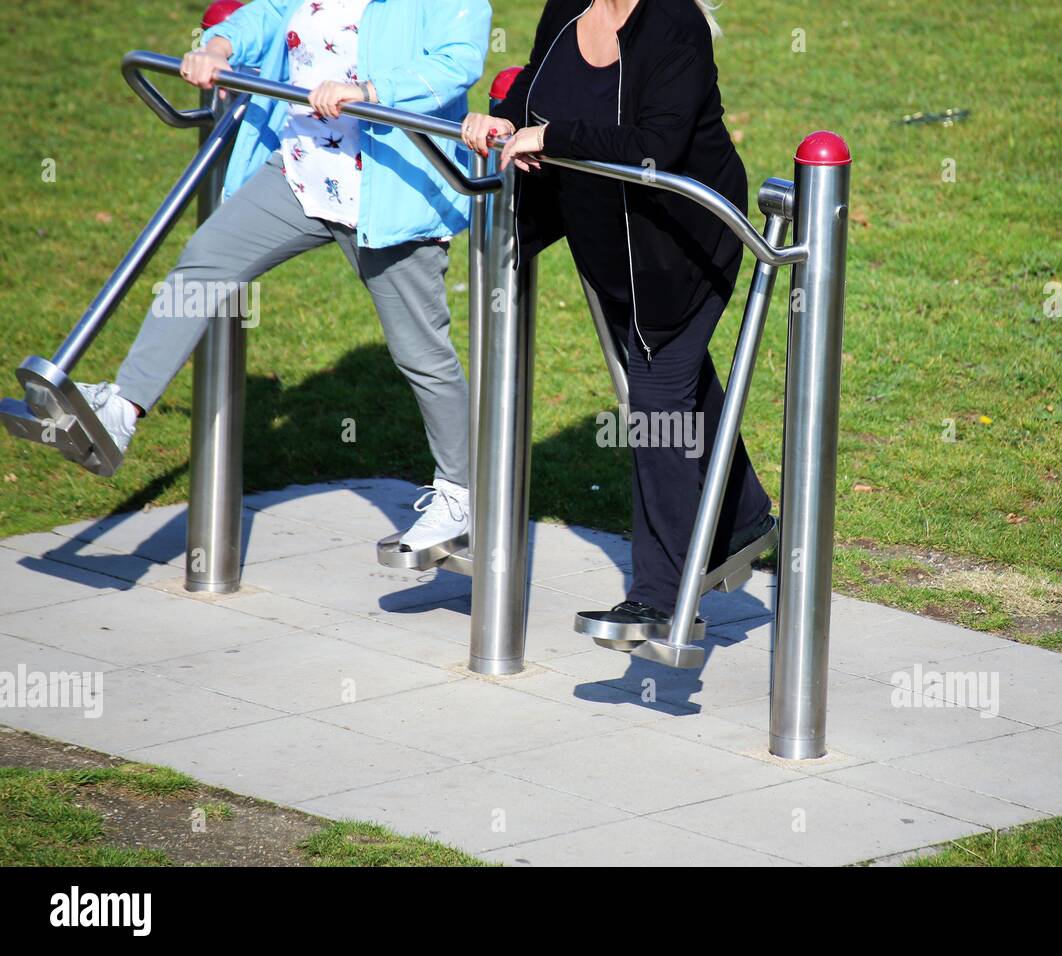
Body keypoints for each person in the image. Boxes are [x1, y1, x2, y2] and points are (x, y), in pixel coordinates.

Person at [77, 0, 491, 553]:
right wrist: (219, 46)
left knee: (421, 353)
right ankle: (121, 410)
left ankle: (460, 495)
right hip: (300, 169)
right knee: (206, 260)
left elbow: (456, 62)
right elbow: (269, 12)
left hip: (390, 186)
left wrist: (367, 90)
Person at [461, 0, 774, 629]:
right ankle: (745, 521)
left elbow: (656, 146)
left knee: (656, 401)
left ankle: (661, 600)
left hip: (682, 247)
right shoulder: (568, 8)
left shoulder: (674, 24)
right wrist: (499, 122)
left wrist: (554, 138)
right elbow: (533, 95)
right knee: (681, 386)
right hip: (608, 242)